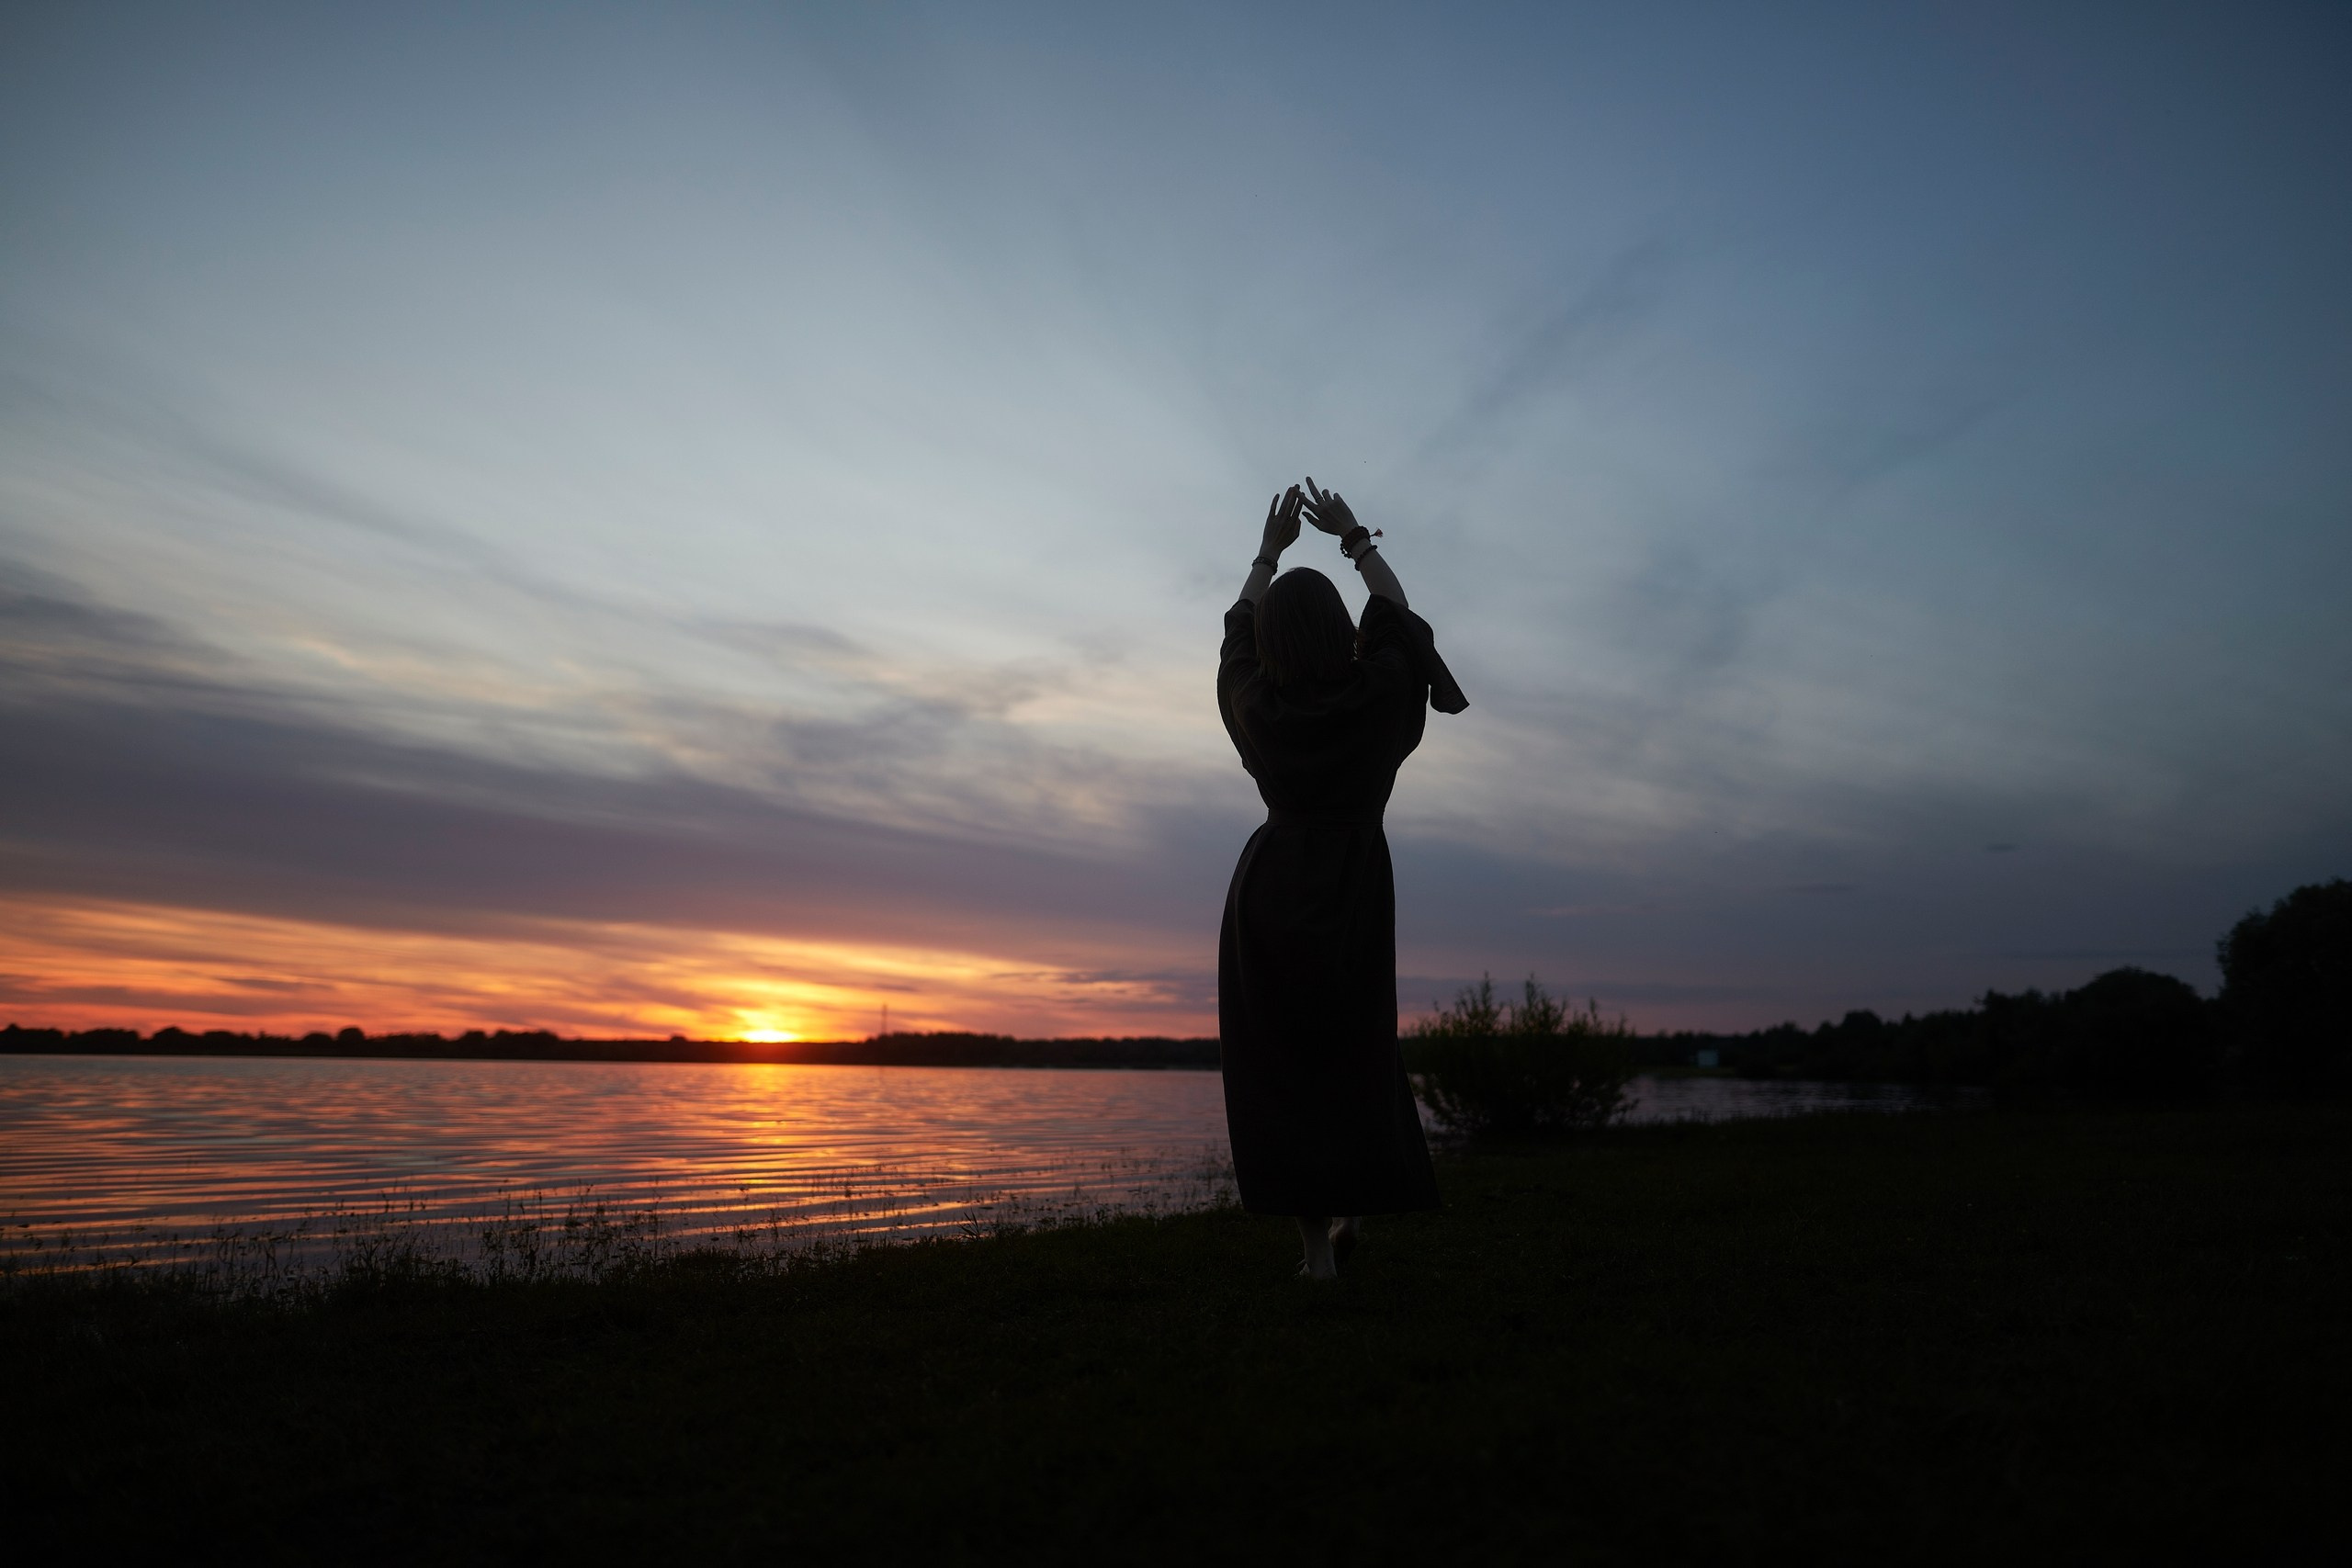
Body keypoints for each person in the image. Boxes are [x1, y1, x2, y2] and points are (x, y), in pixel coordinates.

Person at [1216, 478, 1466, 1280]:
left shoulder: (1258, 704)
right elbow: (1397, 618)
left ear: (1273, 641)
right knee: (1355, 1045)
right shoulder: (1377, 694)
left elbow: (1235, 632)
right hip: (1356, 880)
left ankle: (1316, 1251)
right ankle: (1355, 1202)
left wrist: (1267, 555)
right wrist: (1355, 539)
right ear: (1341, 630)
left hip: (1271, 885)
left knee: (1280, 1060)